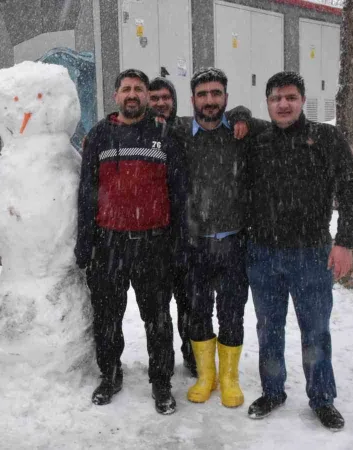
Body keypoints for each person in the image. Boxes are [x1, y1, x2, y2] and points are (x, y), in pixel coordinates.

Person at [245, 71, 353, 430]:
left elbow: (352, 187)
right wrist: (237, 115)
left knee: (315, 329)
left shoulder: (325, 138)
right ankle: (273, 390)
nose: (283, 104)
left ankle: (322, 398)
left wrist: (344, 242)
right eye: (276, 98)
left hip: (311, 254)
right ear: (267, 103)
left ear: (302, 101)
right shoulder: (258, 141)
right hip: (263, 253)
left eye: (290, 97)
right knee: (269, 329)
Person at [76, 69, 187, 415]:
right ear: (116, 96)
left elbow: (179, 193)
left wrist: (179, 242)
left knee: (157, 318)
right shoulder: (99, 136)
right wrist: (85, 243)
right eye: (126, 89)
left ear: (146, 95)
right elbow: (86, 194)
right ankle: (109, 375)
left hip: (153, 244)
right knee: (107, 316)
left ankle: (161, 381)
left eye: (138, 89)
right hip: (110, 244)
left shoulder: (164, 135)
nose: (132, 94)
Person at [172, 68, 252, 409]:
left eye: (216, 93)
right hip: (194, 243)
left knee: (232, 313)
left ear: (226, 99)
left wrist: (243, 115)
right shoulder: (176, 134)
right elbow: (140, 119)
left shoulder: (241, 134)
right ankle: (207, 376)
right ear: (192, 100)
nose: (209, 100)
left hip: (233, 243)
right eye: (202, 94)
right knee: (198, 312)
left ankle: (230, 378)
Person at [148, 77, 196, 378]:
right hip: (153, 240)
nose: (161, 102)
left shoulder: (187, 131)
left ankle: (193, 359)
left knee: (190, 307)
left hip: (188, 236)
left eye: (166, 97)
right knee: (157, 310)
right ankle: (161, 365)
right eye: (154, 97)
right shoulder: (136, 135)